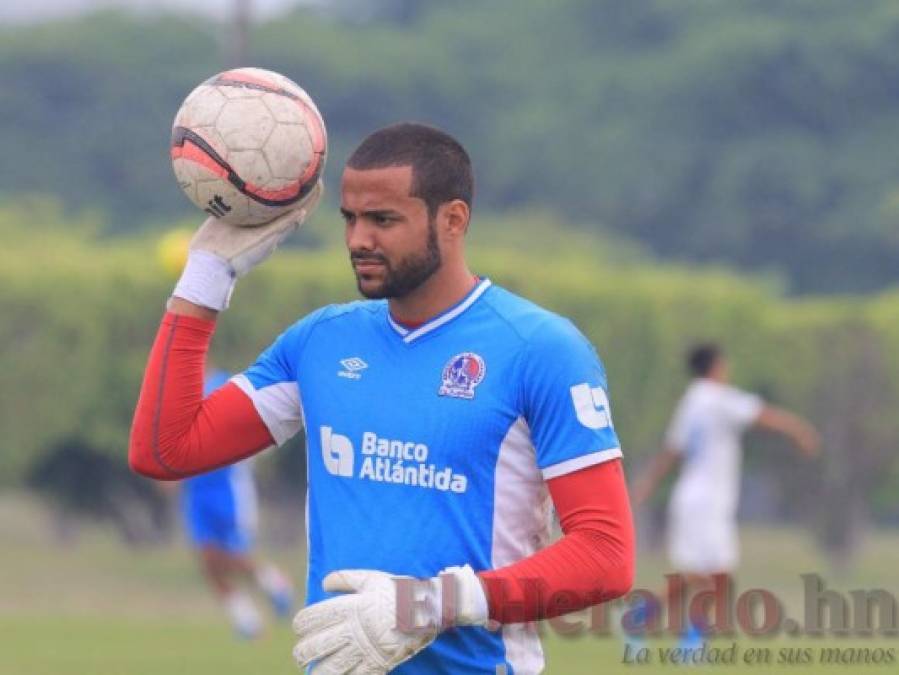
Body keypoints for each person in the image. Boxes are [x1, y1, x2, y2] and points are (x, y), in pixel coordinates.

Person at [130, 122, 634, 674]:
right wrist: (206, 275)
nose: (358, 239)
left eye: (383, 220)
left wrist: (431, 605)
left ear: (454, 220)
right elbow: (165, 449)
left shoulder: (541, 348)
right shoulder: (321, 341)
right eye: (350, 218)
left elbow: (606, 554)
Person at [631, 342, 819, 645]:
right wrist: (800, 431)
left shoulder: (692, 400)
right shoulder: (716, 398)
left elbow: (672, 451)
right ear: (716, 366)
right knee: (709, 573)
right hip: (705, 500)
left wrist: (647, 484)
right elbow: (762, 414)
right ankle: (677, 633)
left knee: (709, 575)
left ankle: (658, 622)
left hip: (700, 498)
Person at [176, 366, 294, 639]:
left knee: (234, 556)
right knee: (207, 561)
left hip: (227, 488)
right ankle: (247, 621)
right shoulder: (176, 396)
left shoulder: (221, 385)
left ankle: (276, 586)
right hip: (195, 491)